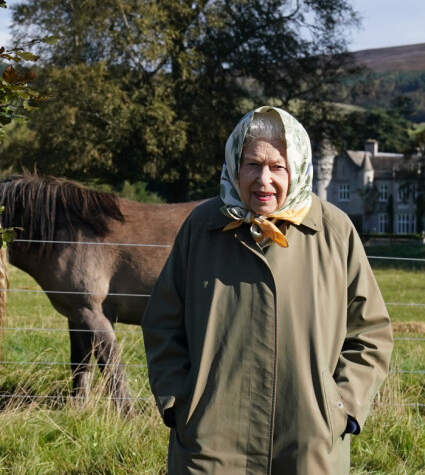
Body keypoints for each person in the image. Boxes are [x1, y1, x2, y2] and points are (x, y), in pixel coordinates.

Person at [142, 106, 393, 474]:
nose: (264, 180)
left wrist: (341, 410)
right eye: (252, 165)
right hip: (210, 442)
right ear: (234, 165)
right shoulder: (202, 226)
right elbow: (163, 323)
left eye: (278, 166)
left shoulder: (333, 231)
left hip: (308, 444)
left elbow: (370, 332)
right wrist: (181, 405)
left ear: (299, 167)